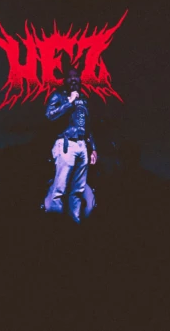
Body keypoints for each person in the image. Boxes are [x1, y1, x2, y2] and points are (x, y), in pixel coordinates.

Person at [43, 69, 98, 224]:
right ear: (65, 80)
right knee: (60, 188)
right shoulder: (58, 96)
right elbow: (49, 115)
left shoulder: (84, 99)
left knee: (78, 190)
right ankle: (56, 223)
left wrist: (93, 148)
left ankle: (75, 223)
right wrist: (69, 102)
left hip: (82, 145)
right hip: (66, 143)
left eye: (76, 77)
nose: (74, 80)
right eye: (70, 77)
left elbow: (87, 126)